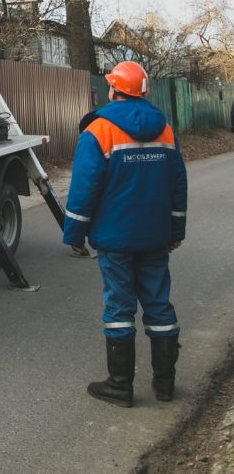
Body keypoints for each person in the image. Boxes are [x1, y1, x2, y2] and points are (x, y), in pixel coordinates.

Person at [63, 61, 187, 408]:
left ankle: (120, 386)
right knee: (159, 305)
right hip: (156, 237)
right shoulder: (166, 131)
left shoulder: (99, 131)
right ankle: (165, 385)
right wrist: (176, 230)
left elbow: (85, 188)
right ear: (145, 92)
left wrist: (74, 233)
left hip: (114, 240)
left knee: (119, 307)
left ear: (113, 89)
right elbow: (178, 185)